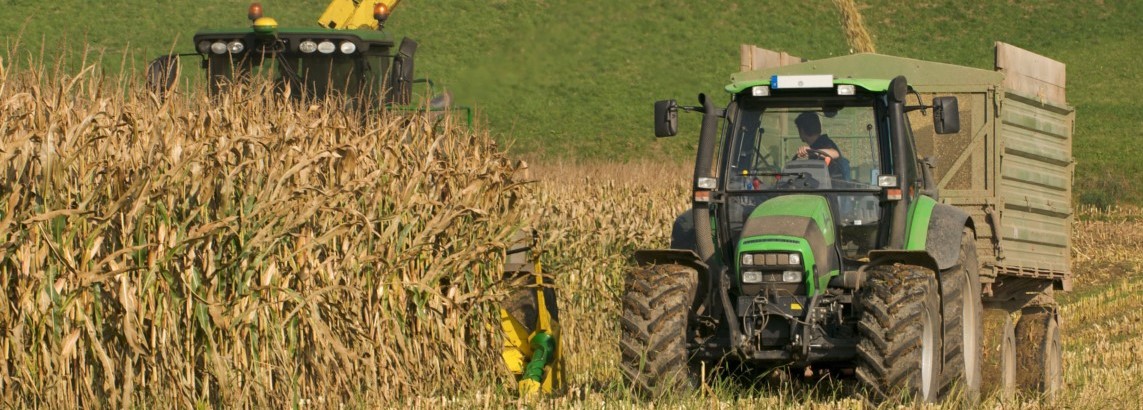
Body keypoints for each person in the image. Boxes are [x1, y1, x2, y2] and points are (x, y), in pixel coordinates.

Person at [793, 111, 849, 179]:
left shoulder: (825, 142)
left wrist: (813, 151)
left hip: (832, 187)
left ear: (801, 131)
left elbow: (835, 153)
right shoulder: (816, 146)